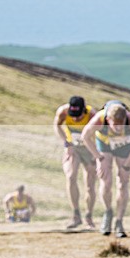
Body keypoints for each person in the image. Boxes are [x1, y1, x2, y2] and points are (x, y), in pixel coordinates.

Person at [82, 100, 130, 238]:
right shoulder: (99, 118)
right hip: (104, 144)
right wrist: (98, 157)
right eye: (115, 125)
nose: (118, 128)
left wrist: (127, 165)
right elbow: (85, 137)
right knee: (106, 181)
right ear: (108, 119)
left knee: (123, 183)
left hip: (124, 146)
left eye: (120, 124)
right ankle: (108, 212)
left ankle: (119, 221)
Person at [54, 96, 98, 229]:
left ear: (83, 111)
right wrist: (66, 143)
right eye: (73, 116)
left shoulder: (92, 115)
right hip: (73, 148)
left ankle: (89, 217)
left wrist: (96, 154)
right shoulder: (63, 111)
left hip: (89, 149)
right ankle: (76, 215)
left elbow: (101, 134)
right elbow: (57, 125)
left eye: (78, 116)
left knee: (89, 184)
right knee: (71, 176)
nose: (75, 119)